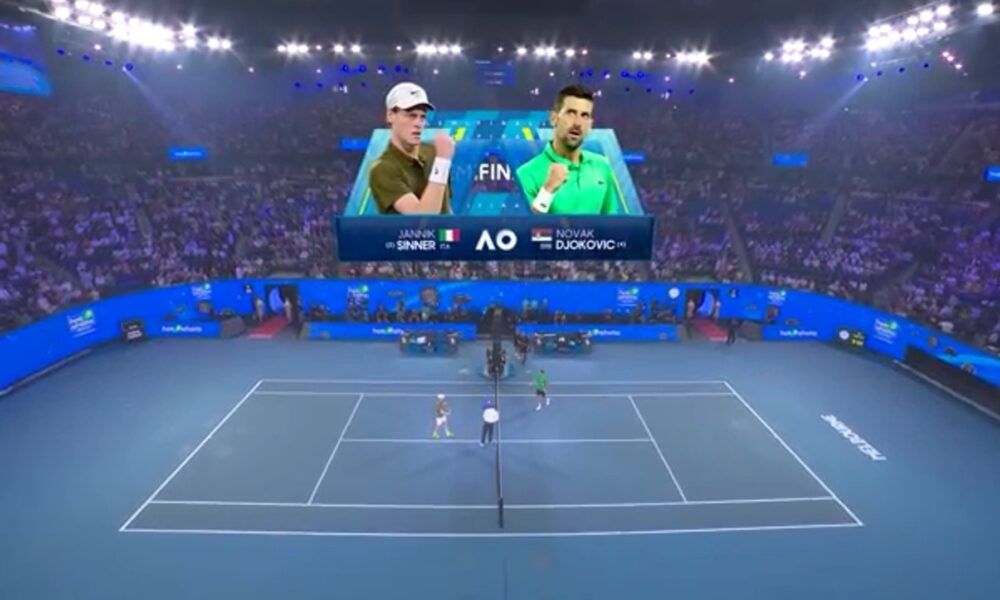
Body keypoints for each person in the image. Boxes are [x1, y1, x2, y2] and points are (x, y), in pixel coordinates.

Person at [516, 84, 624, 215]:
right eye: (571, 113)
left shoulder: (602, 166)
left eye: (584, 115)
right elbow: (526, 226)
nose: (578, 123)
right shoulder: (526, 174)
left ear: (590, 124)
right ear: (553, 118)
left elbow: (612, 223)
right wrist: (547, 191)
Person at [368, 82, 455, 215]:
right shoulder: (382, 169)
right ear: (390, 116)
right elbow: (423, 217)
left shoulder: (433, 153)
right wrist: (442, 162)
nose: (418, 123)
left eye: (422, 117)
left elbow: (445, 208)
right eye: (411, 116)